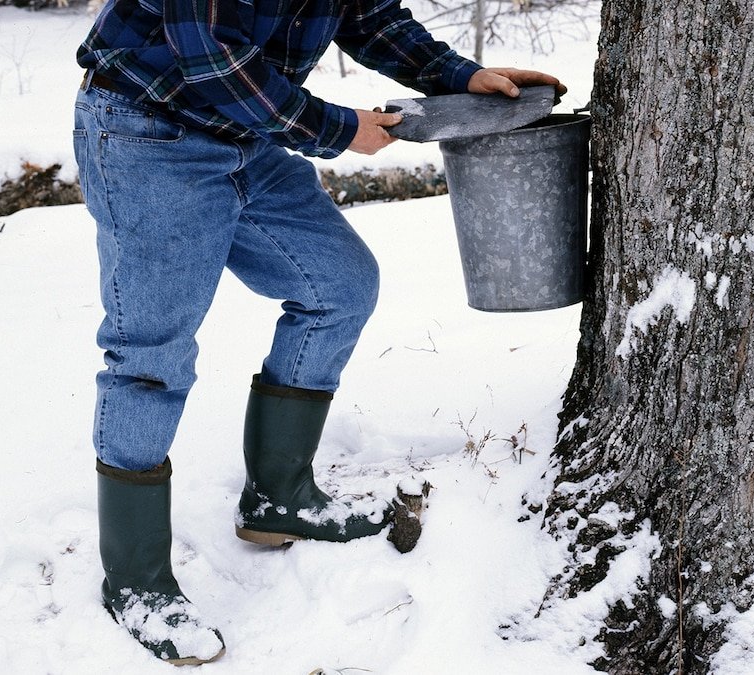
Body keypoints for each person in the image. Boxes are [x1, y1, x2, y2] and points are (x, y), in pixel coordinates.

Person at [73, 0, 565, 664]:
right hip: (149, 132)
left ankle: (280, 495)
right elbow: (211, 54)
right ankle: (134, 579)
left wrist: (455, 74)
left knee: (338, 285)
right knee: (151, 351)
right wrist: (334, 127)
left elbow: (367, 14)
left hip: (245, 134)